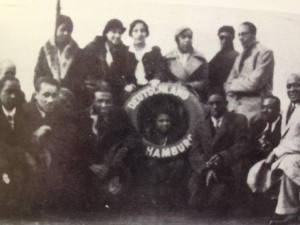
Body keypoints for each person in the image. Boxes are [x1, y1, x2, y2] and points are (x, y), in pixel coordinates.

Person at [77, 80, 141, 210]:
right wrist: (90, 164)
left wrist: (123, 152)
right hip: (89, 166)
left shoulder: (119, 113)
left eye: (108, 101)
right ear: (92, 101)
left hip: (113, 164)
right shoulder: (81, 117)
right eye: (100, 101)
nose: (104, 105)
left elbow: (133, 136)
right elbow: (74, 148)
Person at [248, 73, 300, 225]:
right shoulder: (290, 109)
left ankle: (289, 211)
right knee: (258, 169)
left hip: (294, 154)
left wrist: (276, 152)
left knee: (288, 163)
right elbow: (287, 138)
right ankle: (286, 209)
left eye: (296, 85)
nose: (292, 89)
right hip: (291, 153)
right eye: (289, 86)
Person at [25, 77, 81, 212]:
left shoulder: (64, 114)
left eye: (54, 95)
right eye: (45, 95)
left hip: (54, 164)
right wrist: (35, 135)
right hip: (28, 163)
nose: (50, 100)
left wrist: (49, 131)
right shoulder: (24, 112)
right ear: (36, 95)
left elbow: (69, 143)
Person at [188, 87, 249, 210]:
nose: (215, 107)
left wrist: (222, 157)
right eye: (211, 103)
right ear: (207, 105)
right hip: (205, 169)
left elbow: (242, 145)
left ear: (226, 103)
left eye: (218, 103)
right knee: (196, 203)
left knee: (219, 204)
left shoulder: (238, 120)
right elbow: (195, 152)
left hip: (228, 167)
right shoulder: (200, 125)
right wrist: (207, 168)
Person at [224, 22, 275, 121]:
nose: (240, 38)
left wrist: (233, 85)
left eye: (244, 34)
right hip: (234, 108)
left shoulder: (265, 52)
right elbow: (227, 83)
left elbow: (254, 83)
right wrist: (237, 84)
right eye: (239, 35)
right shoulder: (240, 56)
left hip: (254, 110)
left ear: (253, 34)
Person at [34, 15, 87, 109]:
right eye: (62, 29)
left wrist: (64, 91)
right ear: (55, 30)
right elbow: (38, 74)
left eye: (69, 30)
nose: (66, 33)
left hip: (70, 97)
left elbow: (80, 78)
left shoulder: (78, 53)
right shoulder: (45, 50)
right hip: (47, 95)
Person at [83, 19, 136, 105]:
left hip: (113, 90)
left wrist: (130, 84)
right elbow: (87, 71)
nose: (117, 35)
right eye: (114, 32)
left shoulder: (123, 51)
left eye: (120, 33)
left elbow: (125, 72)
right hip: (94, 89)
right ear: (106, 33)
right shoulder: (93, 47)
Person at [0, 77, 31, 215]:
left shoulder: (24, 113)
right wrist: (22, 154)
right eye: (8, 91)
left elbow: (26, 139)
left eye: (16, 92)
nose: (13, 96)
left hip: (18, 159)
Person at [164, 27, 209, 102]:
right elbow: (164, 79)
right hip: (173, 97)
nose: (187, 40)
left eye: (190, 37)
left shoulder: (200, 58)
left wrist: (188, 86)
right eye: (183, 37)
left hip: (195, 98)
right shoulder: (168, 58)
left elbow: (205, 81)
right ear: (177, 39)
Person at [128, 19, 167, 89]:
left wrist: (157, 78)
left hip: (151, 89)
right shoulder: (125, 52)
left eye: (142, 31)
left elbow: (161, 68)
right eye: (135, 31)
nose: (139, 34)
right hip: (132, 91)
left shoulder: (154, 51)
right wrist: (126, 85)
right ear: (131, 34)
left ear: (146, 33)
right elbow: (117, 73)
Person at [249, 96, 281, 163]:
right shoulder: (257, 124)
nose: (264, 111)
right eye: (263, 107)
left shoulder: (284, 125)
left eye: (269, 107)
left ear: (278, 110)